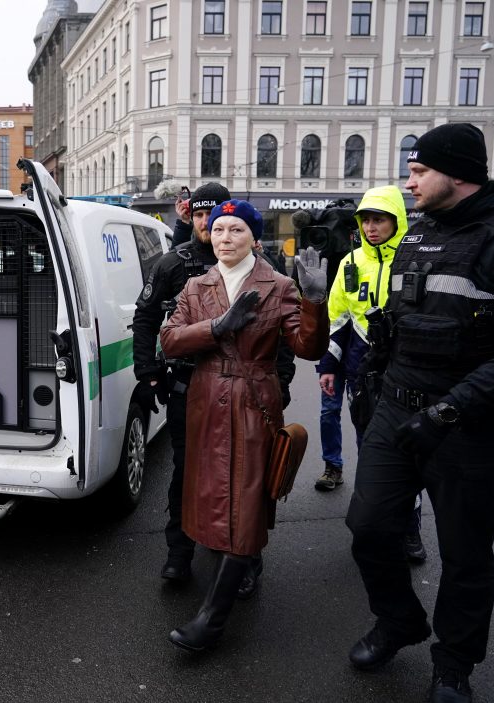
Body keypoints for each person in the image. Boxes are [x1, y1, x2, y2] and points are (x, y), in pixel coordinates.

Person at [345, 124, 494, 703]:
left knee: (465, 555)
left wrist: (448, 412)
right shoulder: (417, 234)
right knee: (369, 528)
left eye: (419, 171)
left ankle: (453, 664)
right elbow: (399, 321)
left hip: (470, 427)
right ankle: (398, 621)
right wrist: (373, 385)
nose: (409, 182)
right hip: (396, 412)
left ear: (458, 173)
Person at [160, 200, 329, 652]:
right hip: (206, 402)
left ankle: (211, 620)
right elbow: (169, 340)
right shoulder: (196, 285)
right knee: (213, 499)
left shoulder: (278, 285)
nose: (224, 238)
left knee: (246, 501)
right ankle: (244, 563)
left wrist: (315, 301)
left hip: (254, 402)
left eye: (236, 230)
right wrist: (216, 327)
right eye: (218, 230)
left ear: (254, 237)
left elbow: (308, 348)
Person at [133, 183, 293, 600]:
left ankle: (246, 559)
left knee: (248, 478)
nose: (210, 225)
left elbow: (282, 336)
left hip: (246, 392)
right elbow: (146, 319)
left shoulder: (262, 268)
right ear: (192, 218)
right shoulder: (175, 263)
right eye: (202, 216)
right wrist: (148, 372)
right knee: (188, 473)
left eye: (219, 218)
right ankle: (180, 552)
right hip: (190, 386)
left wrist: (282, 382)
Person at [312, 186, 428, 562]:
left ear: (397, 220)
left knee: (407, 453)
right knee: (371, 450)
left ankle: (410, 529)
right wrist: (328, 367)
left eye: (379, 220)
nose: (371, 227)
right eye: (366, 221)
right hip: (361, 373)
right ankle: (376, 527)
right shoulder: (350, 262)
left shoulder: (415, 260)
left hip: (406, 372)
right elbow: (337, 319)